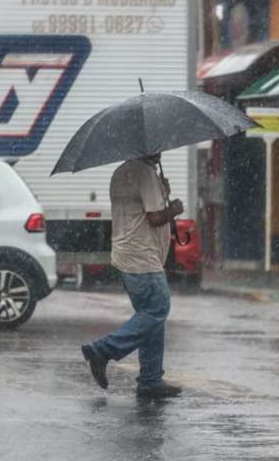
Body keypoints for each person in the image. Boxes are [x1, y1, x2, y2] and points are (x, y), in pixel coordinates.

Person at [81, 153, 184, 399]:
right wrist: (173, 209)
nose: (160, 152)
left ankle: (150, 380)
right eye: (156, 148)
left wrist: (161, 191)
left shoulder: (120, 173)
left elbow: (136, 207)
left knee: (150, 319)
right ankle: (102, 350)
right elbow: (155, 217)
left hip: (127, 255)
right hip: (143, 257)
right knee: (157, 311)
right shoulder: (145, 172)